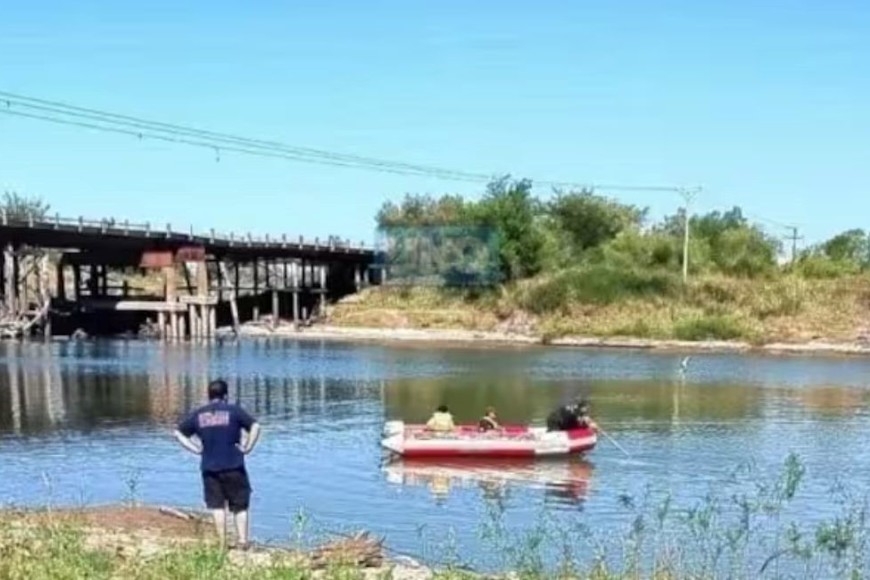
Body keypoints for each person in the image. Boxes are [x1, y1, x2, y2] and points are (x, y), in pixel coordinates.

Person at [174, 379, 262, 550]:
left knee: (217, 506)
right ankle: (242, 541)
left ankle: (222, 543)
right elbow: (255, 426)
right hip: (234, 465)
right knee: (240, 506)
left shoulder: (199, 414)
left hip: (210, 467)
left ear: (209, 395)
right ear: (226, 395)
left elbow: (178, 433)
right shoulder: (234, 411)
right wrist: (248, 447)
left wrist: (195, 449)